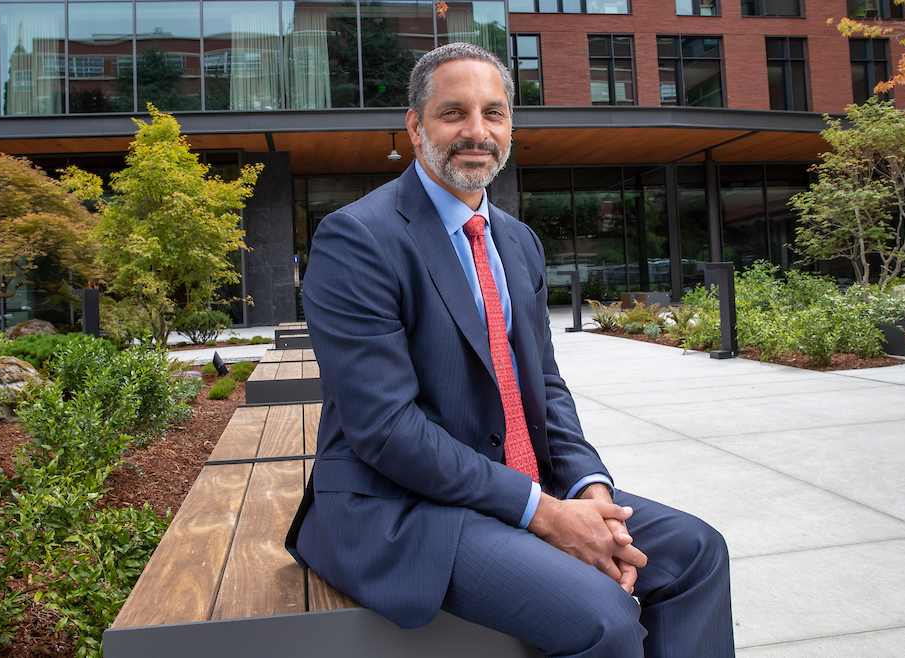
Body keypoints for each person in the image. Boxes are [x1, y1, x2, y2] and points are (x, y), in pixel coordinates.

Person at [285, 42, 734, 657]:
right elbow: (385, 429)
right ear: (415, 128)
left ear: (511, 127)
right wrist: (544, 514)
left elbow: (544, 384)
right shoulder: (358, 238)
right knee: (602, 615)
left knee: (697, 553)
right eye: (453, 113)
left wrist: (588, 490)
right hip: (404, 508)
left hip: (523, 487)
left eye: (494, 113)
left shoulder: (518, 242)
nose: (477, 131)